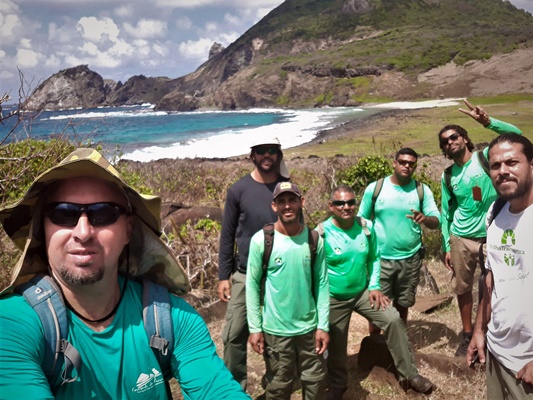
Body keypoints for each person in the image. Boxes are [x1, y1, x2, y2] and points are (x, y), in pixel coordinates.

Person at [0, 148, 249, 399]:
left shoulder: (172, 318)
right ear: (42, 228)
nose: (83, 232)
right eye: (63, 213)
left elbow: (219, 391)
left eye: (102, 213)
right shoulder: (11, 325)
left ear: (128, 230)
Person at [321, 185, 433, 399]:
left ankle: (409, 374)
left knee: (392, 319)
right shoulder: (322, 233)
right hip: (334, 296)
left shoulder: (366, 227)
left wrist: (374, 286)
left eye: (350, 202)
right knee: (336, 339)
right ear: (331, 206)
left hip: (362, 291)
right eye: (340, 203)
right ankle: (338, 383)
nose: (346, 207)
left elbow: (374, 257)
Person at [438, 99, 522, 357]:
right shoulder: (448, 175)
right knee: (463, 289)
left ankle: (487, 332)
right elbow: (446, 212)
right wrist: (445, 245)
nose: (450, 142)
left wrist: (488, 122)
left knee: (492, 287)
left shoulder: (484, 158)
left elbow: (517, 138)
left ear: (464, 138)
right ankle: (466, 336)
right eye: (444, 141)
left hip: (491, 234)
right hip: (461, 237)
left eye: (453, 136)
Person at [218, 136, 291, 389]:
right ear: (253, 155)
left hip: (278, 275)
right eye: (262, 151)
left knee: (276, 333)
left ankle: (277, 384)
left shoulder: (287, 189)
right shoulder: (238, 190)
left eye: (272, 151)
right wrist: (222, 276)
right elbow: (227, 235)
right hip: (244, 274)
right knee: (234, 334)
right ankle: (234, 389)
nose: (267, 156)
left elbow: (297, 230)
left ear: (279, 156)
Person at [246, 182, 330, 400]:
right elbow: (252, 286)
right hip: (276, 330)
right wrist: (255, 328)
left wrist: (323, 325)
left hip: (309, 328)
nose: (287, 206)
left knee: (315, 381)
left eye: (292, 200)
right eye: (281, 201)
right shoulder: (261, 241)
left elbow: (322, 284)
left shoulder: (314, 240)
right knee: (279, 384)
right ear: (274, 206)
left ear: (301, 202)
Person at [466, 134, 533, 399]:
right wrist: (479, 330)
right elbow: (491, 281)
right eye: (495, 166)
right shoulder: (495, 213)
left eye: (512, 162)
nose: (503, 171)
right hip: (496, 351)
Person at [358, 148, 441, 325]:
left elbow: (437, 221)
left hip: (410, 259)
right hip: (380, 259)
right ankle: (375, 345)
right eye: (402, 162)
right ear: (394, 163)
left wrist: (425, 219)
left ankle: (398, 343)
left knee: (403, 304)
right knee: (378, 306)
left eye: (411, 164)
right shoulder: (376, 188)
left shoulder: (421, 190)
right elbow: (361, 220)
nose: (406, 166)